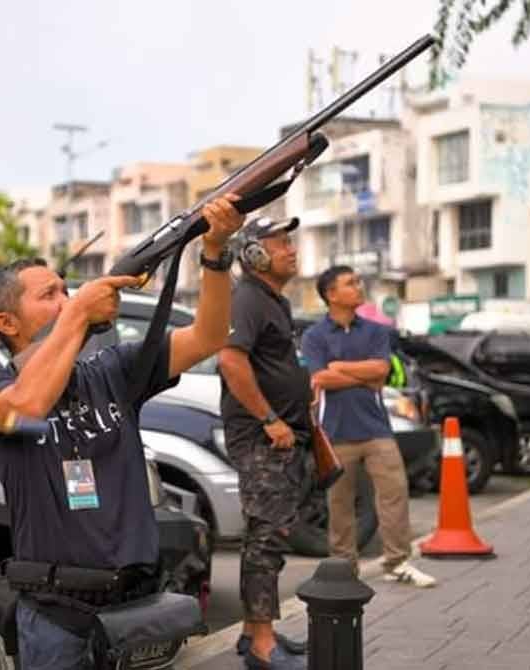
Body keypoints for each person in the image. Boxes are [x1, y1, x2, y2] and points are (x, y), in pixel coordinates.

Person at [0, 195, 244, 669]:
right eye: (49, 296)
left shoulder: (111, 370)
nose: (66, 300)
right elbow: (28, 405)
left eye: (66, 291)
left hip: (134, 607)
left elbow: (208, 337)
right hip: (56, 616)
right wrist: (77, 315)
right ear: (7, 323)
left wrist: (215, 253)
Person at [302, 265, 437, 588]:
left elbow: (381, 371)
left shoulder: (376, 332)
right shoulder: (314, 336)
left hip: (377, 429)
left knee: (395, 493)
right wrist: (360, 375)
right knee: (340, 504)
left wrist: (340, 368)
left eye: (358, 282)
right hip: (335, 432)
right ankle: (344, 570)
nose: (359, 287)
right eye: (350, 283)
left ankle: (397, 562)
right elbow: (321, 378)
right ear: (331, 294)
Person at [218, 216, 311, 670]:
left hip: (281, 437)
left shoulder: (273, 300)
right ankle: (262, 645)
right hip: (262, 438)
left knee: (267, 536)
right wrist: (270, 419)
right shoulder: (247, 299)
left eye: (290, 242)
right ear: (254, 254)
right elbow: (230, 361)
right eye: (280, 243)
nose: (291, 250)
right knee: (267, 539)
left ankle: (253, 631)